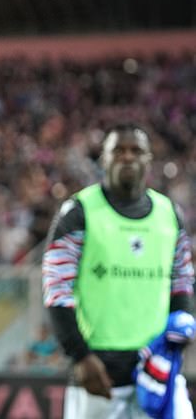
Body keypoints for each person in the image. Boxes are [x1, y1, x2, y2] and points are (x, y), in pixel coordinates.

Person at [42, 123, 195, 418]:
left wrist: (178, 339)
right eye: (118, 150)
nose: (127, 157)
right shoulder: (79, 211)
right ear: (104, 159)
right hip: (99, 372)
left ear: (149, 159)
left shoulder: (170, 213)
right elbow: (56, 289)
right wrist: (79, 356)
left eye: (136, 150)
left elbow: (182, 282)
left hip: (158, 371)